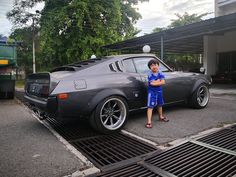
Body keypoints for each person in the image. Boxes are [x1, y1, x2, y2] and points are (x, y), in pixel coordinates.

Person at [146, 59, 169, 128]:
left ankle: (161, 117)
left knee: (160, 105)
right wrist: (158, 81)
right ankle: (149, 122)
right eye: (152, 65)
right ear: (150, 67)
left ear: (158, 65)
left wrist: (157, 81)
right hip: (152, 93)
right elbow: (152, 83)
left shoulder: (160, 73)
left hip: (159, 92)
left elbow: (163, 82)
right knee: (150, 107)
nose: (154, 66)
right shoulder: (149, 74)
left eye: (155, 65)